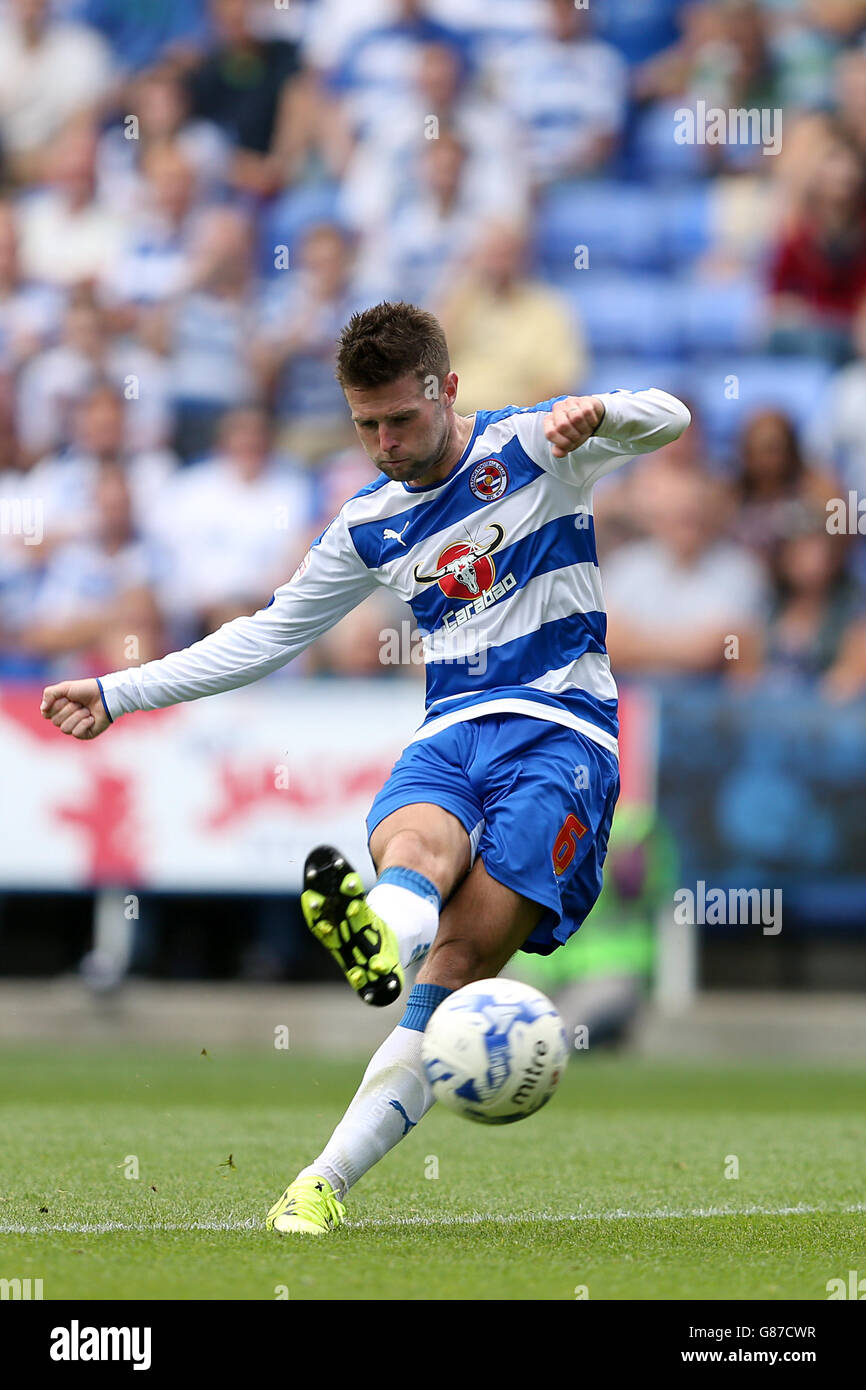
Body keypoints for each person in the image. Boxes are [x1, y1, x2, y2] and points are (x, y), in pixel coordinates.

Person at [40, 301, 690, 1236]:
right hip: (451, 732)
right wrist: (119, 692)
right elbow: (266, 638)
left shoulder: (537, 447)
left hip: (562, 739)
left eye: (401, 420)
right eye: (366, 426)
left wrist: (603, 414)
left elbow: (671, 415)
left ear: (447, 389)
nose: (385, 443)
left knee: (459, 968)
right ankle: (381, 937)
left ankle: (327, 1172)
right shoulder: (369, 525)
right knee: (411, 845)